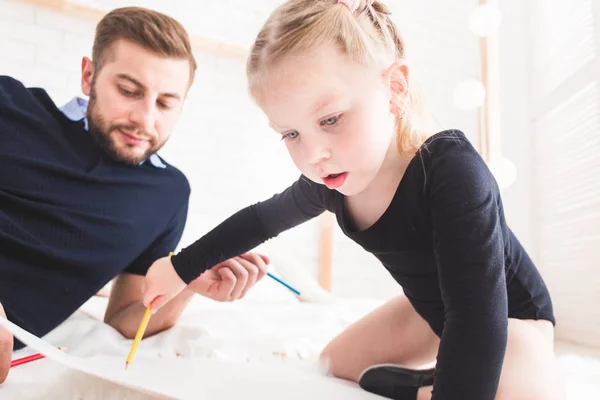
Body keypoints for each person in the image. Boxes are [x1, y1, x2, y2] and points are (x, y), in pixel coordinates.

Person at [141, 0, 565, 399]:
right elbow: (260, 221)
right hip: (431, 309)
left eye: (330, 119)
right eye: (291, 134)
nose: (313, 154)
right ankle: (426, 380)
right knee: (332, 364)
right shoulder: (329, 181)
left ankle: (433, 386)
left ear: (394, 88)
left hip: (507, 318)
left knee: (514, 370)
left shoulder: (451, 172)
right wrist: (180, 268)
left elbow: (476, 322)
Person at [0, 7, 269, 384]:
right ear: (88, 75)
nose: (145, 119)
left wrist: (187, 279)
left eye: (164, 103)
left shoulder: (167, 196)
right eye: (129, 91)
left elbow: (124, 316)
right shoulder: (9, 106)